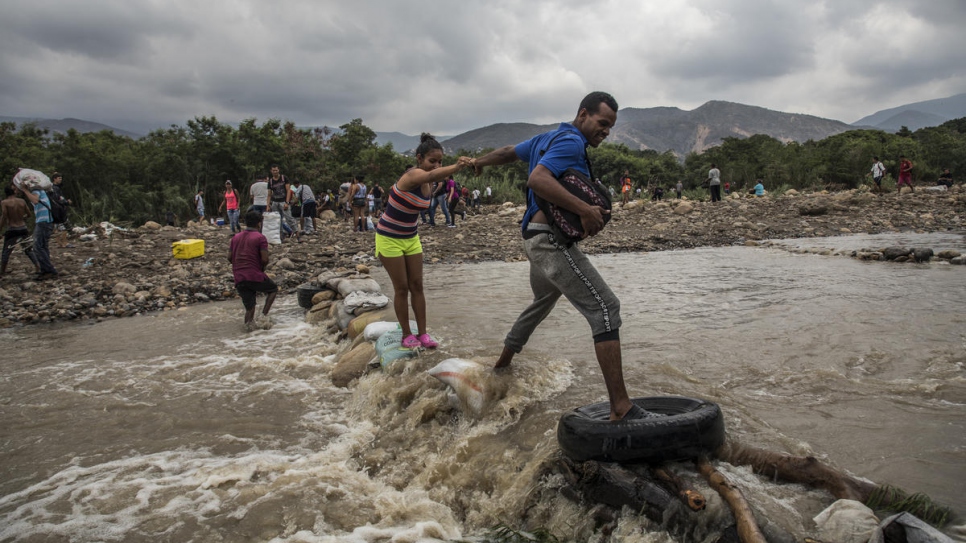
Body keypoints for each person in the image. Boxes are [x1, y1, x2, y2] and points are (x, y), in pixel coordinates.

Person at [471, 91, 647, 421]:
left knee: (543, 300)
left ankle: (500, 366)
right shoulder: (571, 142)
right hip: (548, 242)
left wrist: (477, 162)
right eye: (602, 123)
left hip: (533, 240)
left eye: (610, 127)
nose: (605, 131)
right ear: (583, 114)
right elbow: (537, 179)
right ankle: (621, 407)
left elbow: (510, 152)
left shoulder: (550, 136)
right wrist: (585, 210)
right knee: (606, 308)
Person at [374, 133, 472, 349]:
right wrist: (456, 167)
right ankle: (407, 334)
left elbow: (434, 179)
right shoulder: (412, 176)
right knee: (402, 288)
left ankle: (423, 334)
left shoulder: (430, 182)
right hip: (389, 238)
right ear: (419, 159)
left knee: (417, 285)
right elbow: (430, 176)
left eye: (439, 162)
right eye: (431, 161)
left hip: (411, 237)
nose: (436, 165)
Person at [228, 210, 278, 330]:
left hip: (239, 277)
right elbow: (265, 259)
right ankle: (263, 316)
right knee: (273, 289)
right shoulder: (260, 238)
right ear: (259, 224)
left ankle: (248, 334)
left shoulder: (235, 238)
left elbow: (230, 258)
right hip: (254, 274)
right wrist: (261, 269)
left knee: (249, 308)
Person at [16, 181, 58, 280]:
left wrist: (25, 190)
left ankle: (50, 270)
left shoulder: (36, 190)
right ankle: (46, 270)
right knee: (43, 246)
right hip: (45, 221)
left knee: (38, 247)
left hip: (43, 221)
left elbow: (35, 200)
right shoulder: (40, 191)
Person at [1, 185, 40, 277]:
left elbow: (4, 216)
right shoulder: (21, 201)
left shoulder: (4, 202)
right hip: (23, 227)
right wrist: (21, 218)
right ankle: (37, 266)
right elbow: (29, 214)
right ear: (14, 192)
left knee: (6, 250)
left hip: (12, 228)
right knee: (28, 248)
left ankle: (2, 271)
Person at [268, 164, 298, 237]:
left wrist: (287, 202)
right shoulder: (271, 181)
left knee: (289, 218)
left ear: (278, 170)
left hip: (283, 201)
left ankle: (297, 234)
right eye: (273, 170)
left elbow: (288, 190)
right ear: (271, 171)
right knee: (277, 220)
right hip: (275, 202)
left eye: (276, 170)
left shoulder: (283, 178)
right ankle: (281, 236)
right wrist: (268, 205)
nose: (275, 172)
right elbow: (269, 194)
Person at [50, 173, 73, 248]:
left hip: (54, 210)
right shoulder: (55, 188)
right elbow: (58, 199)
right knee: (63, 227)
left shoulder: (53, 188)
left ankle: (59, 243)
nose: (60, 180)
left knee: (56, 227)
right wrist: (66, 202)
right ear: (55, 179)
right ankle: (65, 243)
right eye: (59, 178)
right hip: (58, 210)